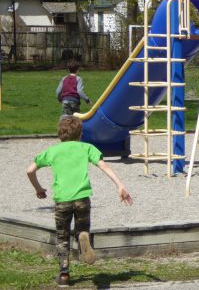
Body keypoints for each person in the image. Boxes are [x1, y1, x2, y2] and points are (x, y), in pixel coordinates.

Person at [26, 116, 133, 287]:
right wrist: (120, 186)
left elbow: (29, 170)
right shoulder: (87, 148)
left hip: (62, 201)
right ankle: (83, 236)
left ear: (60, 134)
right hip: (82, 199)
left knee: (62, 237)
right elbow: (104, 166)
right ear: (81, 133)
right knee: (82, 228)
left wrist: (38, 188)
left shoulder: (53, 151)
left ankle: (64, 275)